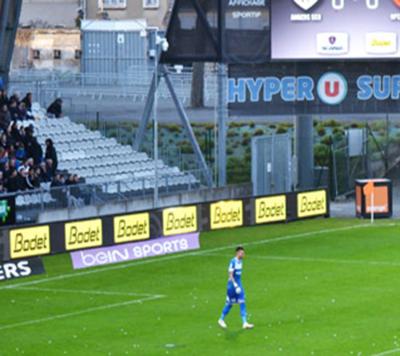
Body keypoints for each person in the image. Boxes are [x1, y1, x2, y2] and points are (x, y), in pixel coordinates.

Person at [218, 246, 254, 330]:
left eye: (243, 253)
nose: (243, 254)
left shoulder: (241, 261)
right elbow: (230, 274)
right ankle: (221, 319)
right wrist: (235, 285)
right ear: (237, 253)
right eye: (242, 253)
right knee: (230, 304)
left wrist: (238, 284)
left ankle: (245, 322)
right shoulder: (233, 261)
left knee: (242, 301)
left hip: (238, 284)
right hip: (232, 285)